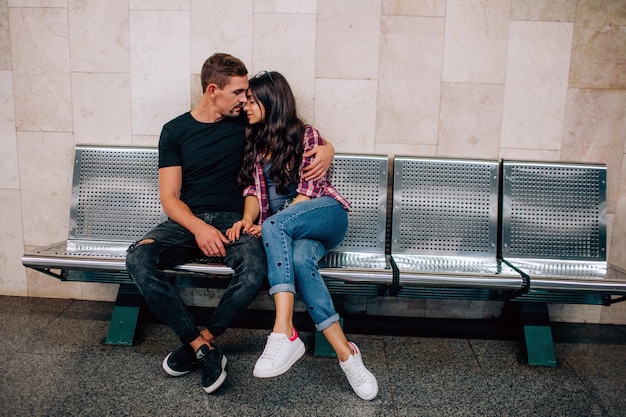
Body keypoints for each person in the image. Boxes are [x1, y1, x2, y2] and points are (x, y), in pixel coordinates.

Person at [125, 54, 334, 395]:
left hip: (234, 222)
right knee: (138, 257)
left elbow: (292, 133)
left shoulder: (248, 126)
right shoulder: (175, 131)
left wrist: (327, 149)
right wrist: (198, 228)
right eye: (238, 92)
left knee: (255, 270)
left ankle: (204, 341)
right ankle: (201, 348)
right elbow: (170, 197)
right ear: (213, 90)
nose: (245, 99)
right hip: (186, 221)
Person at [226, 71, 378, 401]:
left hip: (324, 214)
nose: (246, 106)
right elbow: (253, 191)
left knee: (275, 226)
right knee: (297, 258)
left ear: (272, 101)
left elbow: (307, 193)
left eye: (252, 100)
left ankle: (284, 332)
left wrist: (270, 223)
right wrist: (248, 219)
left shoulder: (306, 135)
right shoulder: (254, 143)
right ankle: (348, 355)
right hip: (289, 232)